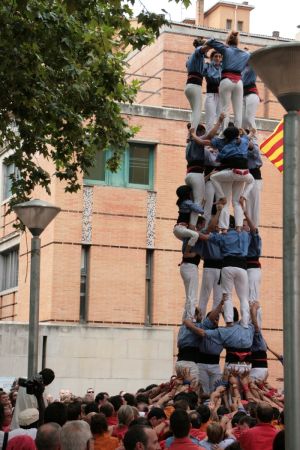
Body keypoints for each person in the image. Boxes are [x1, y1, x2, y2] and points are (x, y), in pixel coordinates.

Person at [208, 126, 255, 230]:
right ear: (237, 135)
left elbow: (217, 160)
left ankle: (224, 226)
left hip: (233, 173)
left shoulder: (226, 147)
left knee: (214, 178)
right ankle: (239, 226)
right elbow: (251, 134)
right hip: (245, 174)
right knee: (237, 201)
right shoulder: (244, 141)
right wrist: (245, 132)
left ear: (227, 137)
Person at [204, 31, 250, 130]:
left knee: (225, 108)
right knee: (238, 110)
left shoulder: (225, 49)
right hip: (238, 82)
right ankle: (237, 133)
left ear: (228, 41)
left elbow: (211, 41)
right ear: (237, 42)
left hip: (226, 80)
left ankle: (224, 132)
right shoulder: (245, 54)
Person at [173, 185, 203, 254]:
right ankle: (186, 254)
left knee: (187, 240)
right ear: (187, 193)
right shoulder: (187, 202)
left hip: (178, 229)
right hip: (180, 228)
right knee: (195, 235)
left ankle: (185, 255)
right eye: (191, 192)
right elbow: (200, 210)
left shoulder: (182, 202)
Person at [185, 38, 206, 130]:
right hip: (195, 86)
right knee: (198, 110)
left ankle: (192, 128)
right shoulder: (198, 53)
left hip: (189, 86)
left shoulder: (191, 57)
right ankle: (193, 131)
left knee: (194, 111)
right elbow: (201, 50)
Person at [203, 51, 222, 132]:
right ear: (212, 58)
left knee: (221, 118)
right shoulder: (208, 66)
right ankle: (208, 138)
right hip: (210, 94)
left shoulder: (223, 67)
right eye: (215, 56)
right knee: (210, 118)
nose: (217, 58)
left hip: (221, 95)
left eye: (219, 57)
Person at [242, 64, 260, 130]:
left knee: (249, 119)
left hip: (251, 93)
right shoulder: (241, 68)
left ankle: (254, 139)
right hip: (243, 95)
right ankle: (244, 137)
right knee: (242, 120)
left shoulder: (252, 66)